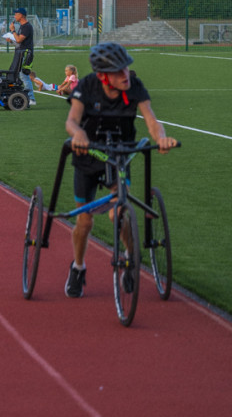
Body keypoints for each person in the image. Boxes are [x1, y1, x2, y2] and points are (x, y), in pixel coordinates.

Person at [62, 42, 178, 298]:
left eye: (125, 69)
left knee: (120, 212)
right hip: (88, 153)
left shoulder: (134, 86)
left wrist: (161, 138)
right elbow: (72, 120)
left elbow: (151, 119)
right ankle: (78, 267)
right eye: (118, 72)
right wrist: (79, 133)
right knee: (85, 220)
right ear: (103, 76)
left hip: (119, 154)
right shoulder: (88, 86)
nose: (125, 75)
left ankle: (129, 257)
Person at [7, 7, 35, 106]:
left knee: (24, 75)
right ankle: (23, 95)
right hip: (21, 53)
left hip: (26, 54)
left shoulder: (26, 27)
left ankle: (31, 98)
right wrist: (11, 40)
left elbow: (19, 40)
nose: (14, 16)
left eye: (16, 14)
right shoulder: (22, 27)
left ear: (21, 15)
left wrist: (13, 31)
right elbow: (19, 42)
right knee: (18, 75)